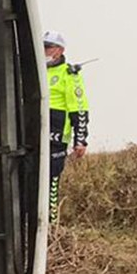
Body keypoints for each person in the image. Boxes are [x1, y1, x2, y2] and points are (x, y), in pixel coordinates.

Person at [45, 31, 90, 223]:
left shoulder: (69, 74)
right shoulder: (37, 70)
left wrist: (80, 140)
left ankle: (51, 222)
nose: (44, 50)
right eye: (43, 46)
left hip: (56, 135)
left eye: (48, 47)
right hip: (35, 131)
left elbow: (79, 109)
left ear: (60, 50)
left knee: (51, 179)